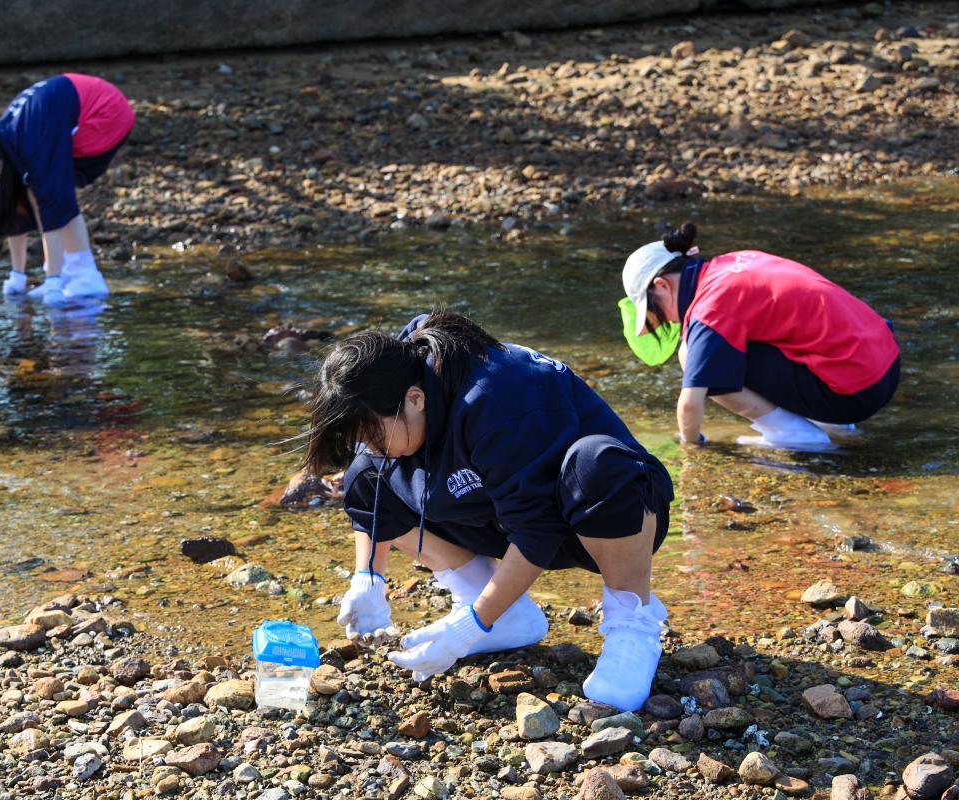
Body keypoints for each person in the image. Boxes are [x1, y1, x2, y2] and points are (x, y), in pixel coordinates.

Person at [302, 310, 675, 712]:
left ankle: (631, 626)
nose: (372, 444)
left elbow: (538, 528)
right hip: (505, 510)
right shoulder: (392, 386)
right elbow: (369, 487)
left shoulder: (496, 395)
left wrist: (468, 628)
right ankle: (503, 612)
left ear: (416, 398)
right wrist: (368, 578)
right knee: (364, 474)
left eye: (373, 432)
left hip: (601, 514)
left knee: (596, 465)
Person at [621, 222, 900, 450]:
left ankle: (794, 434)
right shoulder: (735, 261)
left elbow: (690, 403)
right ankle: (833, 426)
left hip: (854, 393)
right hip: (885, 366)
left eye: (654, 310)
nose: (667, 321)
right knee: (721, 347)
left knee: (692, 354)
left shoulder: (710, 308)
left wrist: (690, 446)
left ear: (662, 285)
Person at [0, 73, 134, 306]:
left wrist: (53, 282)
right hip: (83, 108)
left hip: (108, 114)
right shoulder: (5, 137)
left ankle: (84, 277)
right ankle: (68, 271)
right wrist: (17, 277)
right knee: (31, 189)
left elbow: (53, 202)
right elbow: (10, 206)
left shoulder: (31, 139)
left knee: (52, 192)